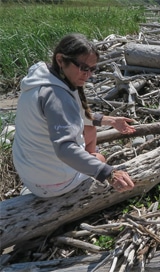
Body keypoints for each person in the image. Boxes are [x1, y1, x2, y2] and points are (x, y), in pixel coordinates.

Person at [13, 33, 136, 198]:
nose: (88, 74)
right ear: (60, 60)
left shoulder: (43, 78)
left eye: (92, 69)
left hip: (30, 173)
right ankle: (87, 163)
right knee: (99, 158)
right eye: (83, 67)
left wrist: (111, 120)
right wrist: (108, 173)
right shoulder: (56, 96)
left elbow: (79, 116)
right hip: (50, 183)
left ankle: (85, 160)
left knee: (89, 128)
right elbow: (64, 149)